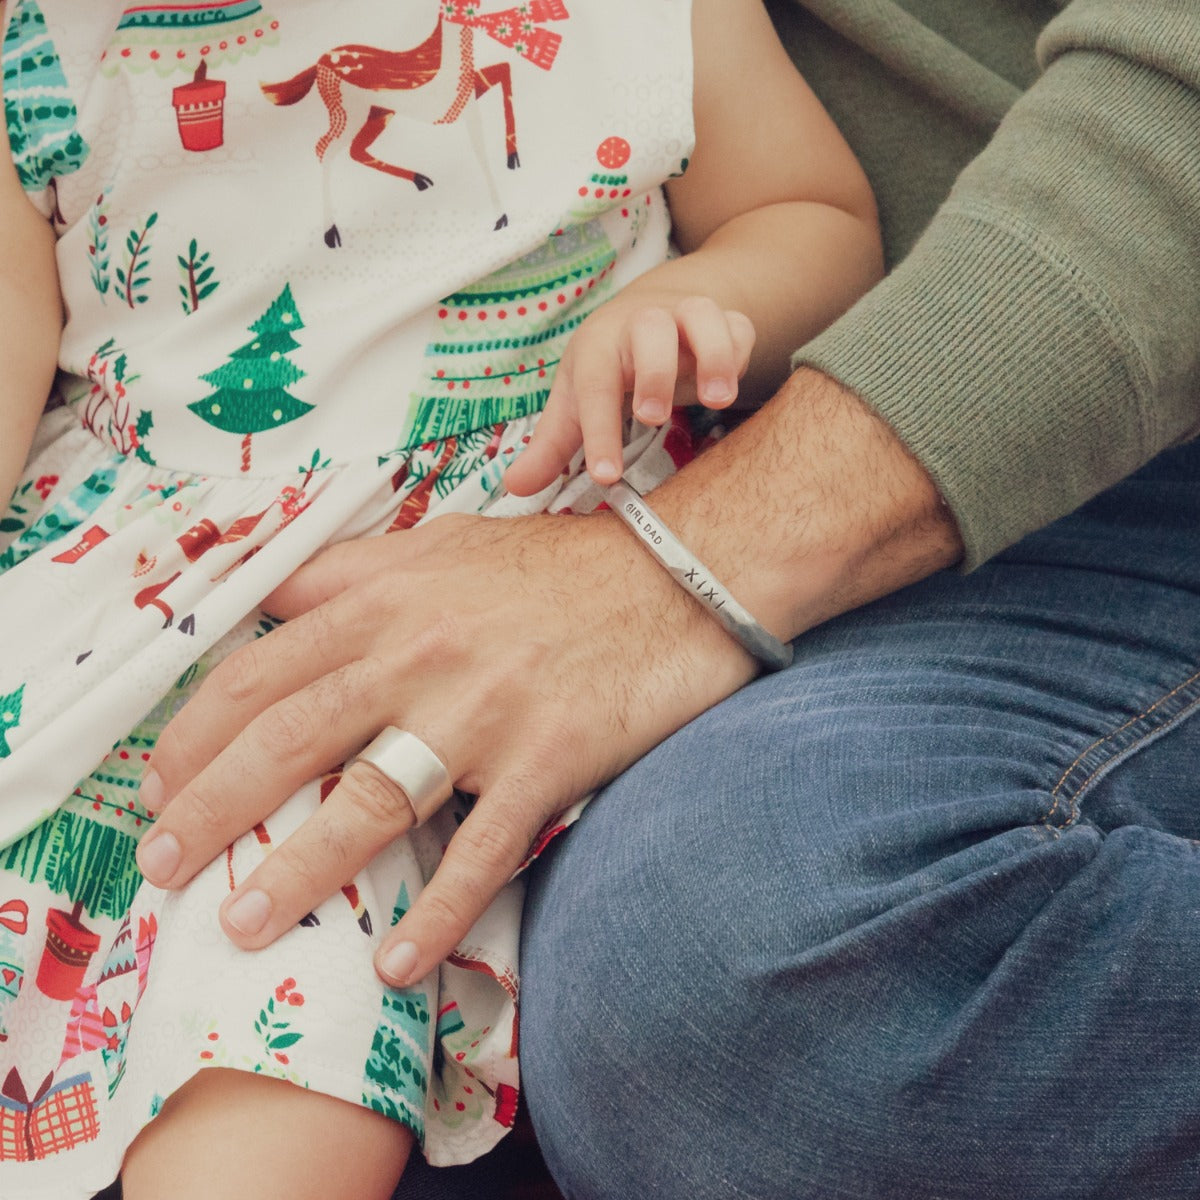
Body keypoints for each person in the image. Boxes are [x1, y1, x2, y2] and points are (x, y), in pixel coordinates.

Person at [119, 0, 1200, 1196]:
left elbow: (802, 214)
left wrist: (671, 558)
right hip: (204, 561)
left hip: (1091, 399)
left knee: (734, 973)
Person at [0, 1, 885, 1197]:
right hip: (127, 572)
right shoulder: (48, 38)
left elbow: (814, 217)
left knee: (282, 986)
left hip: (467, 594)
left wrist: (699, 302)